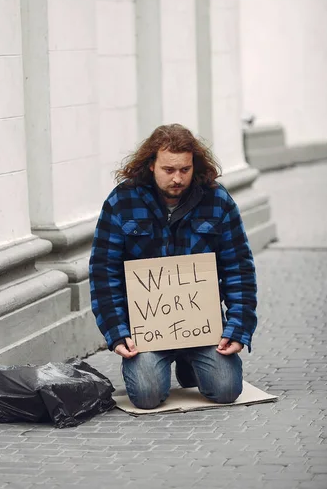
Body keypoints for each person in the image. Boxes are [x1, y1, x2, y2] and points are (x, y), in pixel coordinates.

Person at [89, 124, 257, 409]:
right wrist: (117, 333)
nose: (178, 178)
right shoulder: (121, 202)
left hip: (202, 326)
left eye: (185, 169)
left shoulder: (218, 201)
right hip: (147, 330)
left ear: (195, 165)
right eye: (169, 170)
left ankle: (191, 364)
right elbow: (104, 272)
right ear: (151, 165)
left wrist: (238, 329)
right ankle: (160, 366)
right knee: (147, 396)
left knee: (227, 389)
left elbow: (238, 268)